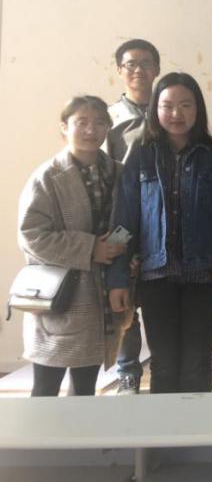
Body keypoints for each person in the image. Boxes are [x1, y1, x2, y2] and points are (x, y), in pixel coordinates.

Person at [108, 73, 212, 394]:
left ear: (198, 109)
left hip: (205, 276)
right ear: (155, 109)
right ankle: (165, 426)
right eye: (167, 105)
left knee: (197, 360)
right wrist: (117, 277)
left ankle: (196, 425)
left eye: (185, 105)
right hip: (156, 276)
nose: (176, 113)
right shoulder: (141, 154)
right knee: (164, 362)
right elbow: (124, 219)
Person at [18, 96, 127, 397]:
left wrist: (120, 253)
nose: (91, 130)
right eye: (82, 122)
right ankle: (43, 431)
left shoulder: (118, 172)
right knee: (46, 388)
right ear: (64, 128)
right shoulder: (47, 176)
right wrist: (90, 248)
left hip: (100, 298)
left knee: (85, 389)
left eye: (100, 122)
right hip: (60, 298)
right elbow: (31, 234)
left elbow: (128, 223)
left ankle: (81, 431)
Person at [107, 37, 161, 395]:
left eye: (145, 63)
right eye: (130, 64)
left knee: (157, 296)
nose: (138, 70)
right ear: (120, 70)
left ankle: (163, 364)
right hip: (122, 219)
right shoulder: (109, 118)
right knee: (124, 297)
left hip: (160, 218)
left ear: (156, 69)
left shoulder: (169, 109)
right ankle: (128, 371)